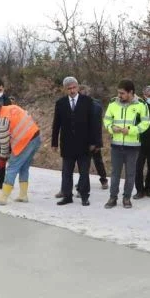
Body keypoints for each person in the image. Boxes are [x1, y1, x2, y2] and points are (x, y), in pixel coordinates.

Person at [103, 80, 150, 209]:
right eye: (118, 93)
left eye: (122, 93)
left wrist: (130, 130)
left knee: (130, 174)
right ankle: (113, 198)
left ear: (131, 92)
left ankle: (127, 198)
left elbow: (146, 123)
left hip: (133, 146)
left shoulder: (141, 105)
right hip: (116, 145)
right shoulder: (113, 103)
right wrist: (111, 128)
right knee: (115, 173)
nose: (119, 95)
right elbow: (107, 120)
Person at [52, 76, 98, 206]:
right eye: (69, 88)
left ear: (78, 87)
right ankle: (67, 196)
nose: (72, 90)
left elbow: (93, 123)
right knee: (67, 172)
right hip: (67, 144)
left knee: (84, 172)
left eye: (74, 87)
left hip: (84, 144)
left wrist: (94, 142)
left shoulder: (87, 101)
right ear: (65, 89)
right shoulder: (60, 103)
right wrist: (54, 143)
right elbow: (56, 124)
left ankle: (84, 196)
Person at [0, 100, 41, 205]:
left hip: (25, 141)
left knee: (12, 167)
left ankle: (3, 196)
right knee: (24, 167)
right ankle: (23, 195)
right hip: (35, 137)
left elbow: (4, 143)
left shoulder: (2, 120)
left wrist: (2, 159)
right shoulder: (12, 107)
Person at [78, 85, 108, 190]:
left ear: (87, 93)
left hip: (94, 139)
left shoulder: (96, 106)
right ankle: (82, 181)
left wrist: (97, 143)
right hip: (82, 139)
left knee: (98, 160)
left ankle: (104, 180)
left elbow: (98, 126)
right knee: (83, 162)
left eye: (83, 93)